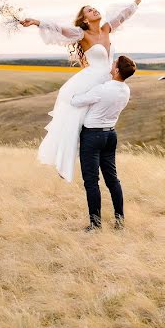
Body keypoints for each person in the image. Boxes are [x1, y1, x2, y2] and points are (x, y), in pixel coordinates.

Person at [19, 0, 141, 182]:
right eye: (89, 10)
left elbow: (123, 16)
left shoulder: (107, 28)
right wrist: (36, 22)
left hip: (106, 80)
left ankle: (90, 158)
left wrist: (135, 4)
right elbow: (59, 29)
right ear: (84, 20)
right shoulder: (81, 34)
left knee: (92, 123)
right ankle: (63, 164)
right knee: (75, 120)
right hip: (90, 79)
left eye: (94, 8)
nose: (94, 10)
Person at [69, 55, 137, 231]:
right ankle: (119, 221)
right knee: (112, 180)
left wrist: (73, 91)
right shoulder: (126, 90)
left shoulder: (101, 89)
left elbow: (75, 101)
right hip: (110, 135)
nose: (111, 64)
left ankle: (95, 224)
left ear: (116, 70)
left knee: (91, 181)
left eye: (114, 64)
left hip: (92, 136)